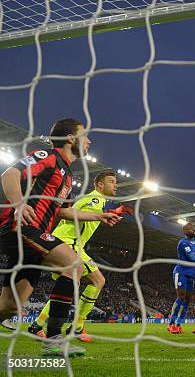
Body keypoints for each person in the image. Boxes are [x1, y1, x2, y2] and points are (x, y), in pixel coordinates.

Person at [0, 118, 121, 357]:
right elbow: (10, 173)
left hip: (33, 239)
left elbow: (64, 211)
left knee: (9, 307)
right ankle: (54, 339)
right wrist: (19, 203)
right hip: (22, 227)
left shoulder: (66, 174)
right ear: (70, 138)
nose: (89, 141)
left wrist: (100, 216)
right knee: (74, 264)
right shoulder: (48, 155)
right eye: (84, 135)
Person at [28, 170, 132, 342]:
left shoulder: (94, 201)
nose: (116, 185)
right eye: (111, 181)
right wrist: (105, 215)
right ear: (100, 184)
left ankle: (38, 325)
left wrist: (113, 211)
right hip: (70, 243)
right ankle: (75, 327)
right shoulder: (95, 199)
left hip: (70, 242)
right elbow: (88, 213)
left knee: (68, 285)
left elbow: (89, 213)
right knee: (97, 281)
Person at [168, 222, 195, 334]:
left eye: (194, 229)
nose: (194, 230)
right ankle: (171, 324)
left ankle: (178, 324)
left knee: (187, 299)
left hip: (191, 274)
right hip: (181, 272)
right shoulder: (182, 243)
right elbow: (193, 257)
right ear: (185, 231)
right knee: (181, 296)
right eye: (192, 229)